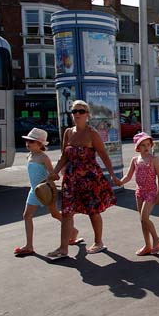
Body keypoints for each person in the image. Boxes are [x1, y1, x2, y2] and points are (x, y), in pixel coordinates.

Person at [47, 100, 119, 259]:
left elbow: (104, 156)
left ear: (87, 114)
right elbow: (64, 155)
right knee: (66, 213)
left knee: (93, 211)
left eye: (80, 111)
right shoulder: (68, 133)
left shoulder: (92, 133)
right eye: (74, 111)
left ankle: (99, 242)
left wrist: (113, 175)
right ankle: (63, 248)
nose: (77, 114)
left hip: (89, 178)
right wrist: (55, 172)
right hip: (71, 179)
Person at [14, 128, 81, 256]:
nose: (28, 143)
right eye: (27, 141)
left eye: (32, 141)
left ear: (40, 144)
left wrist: (51, 177)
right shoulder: (29, 156)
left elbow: (53, 175)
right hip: (34, 191)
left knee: (55, 214)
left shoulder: (44, 157)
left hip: (46, 191)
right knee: (27, 215)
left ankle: (73, 231)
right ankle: (29, 246)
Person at [117, 132, 159, 256]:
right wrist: (120, 182)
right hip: (139, 192)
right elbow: (128, 176)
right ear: (138, 147)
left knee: (145, 217)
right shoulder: (135, 160)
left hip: (151, 192)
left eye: (148, 144)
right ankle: (147, 245)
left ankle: (156, 239)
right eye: (143, 145)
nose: (146, 147)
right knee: (142, 220)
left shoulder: (154, 160)